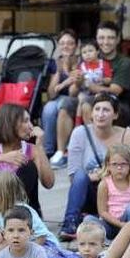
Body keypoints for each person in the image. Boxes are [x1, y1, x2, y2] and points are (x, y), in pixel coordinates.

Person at [60, 93, 130, 239]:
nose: (100, 114)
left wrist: (101, 175)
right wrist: (102, 175)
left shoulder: (126, 134)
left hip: (116, 195)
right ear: (91, 113)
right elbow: (74, 177)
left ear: (115, 115)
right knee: (81, 175)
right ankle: (69, 222)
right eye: (97, 109)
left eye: (106, 110)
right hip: (89, 193)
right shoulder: (80, 133)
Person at [0, 171, 75, 258]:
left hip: (41, 246)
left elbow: (41, 236)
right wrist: (0, 233)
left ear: (2, 191)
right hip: (20, 244)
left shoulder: (23, 211)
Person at [42, 29, 82, 165]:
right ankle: (48, 151)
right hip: (58, 99)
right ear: (58, 45)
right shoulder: (54, 63)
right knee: (48, 108)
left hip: (77, 98)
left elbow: (73, 93)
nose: (66, 46)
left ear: (76, 45)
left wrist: (70, 71)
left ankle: (63, 150)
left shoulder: (81, 62)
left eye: (70, 43)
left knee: (62, 104)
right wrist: (59, 72)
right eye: (62, 43)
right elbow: (51, 94)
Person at [88, 144, 130, 242]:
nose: (119, 168)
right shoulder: (104, 184)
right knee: (88, 220)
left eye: (123, 164)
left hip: (129, 222)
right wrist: (120, 224)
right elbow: (102, 212)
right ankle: (107, 243)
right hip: (110, 224)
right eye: (114, 164)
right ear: (108, 165)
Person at [93, 21, 130, 125]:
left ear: (118, 39)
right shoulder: (92, 59)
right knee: (60, 106)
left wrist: (90, 86)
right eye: (101, 38)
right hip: (94, 100)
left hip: (121, 106)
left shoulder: (125, 62)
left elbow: (114, 91)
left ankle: (93, 140)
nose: (106, 42)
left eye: (110, 38)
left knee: (87, 104)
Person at [75, 39, 114, 123]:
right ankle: (77, 123)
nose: (87, 54)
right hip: (85, 90)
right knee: (81, 99)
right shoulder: (81, 66)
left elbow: (109, 80)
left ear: (97, 51)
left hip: (99, 90)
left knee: (98, 99)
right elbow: (75, 79)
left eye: (90, 51)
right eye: (84, 52)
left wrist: (103, 80)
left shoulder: (103, 64)